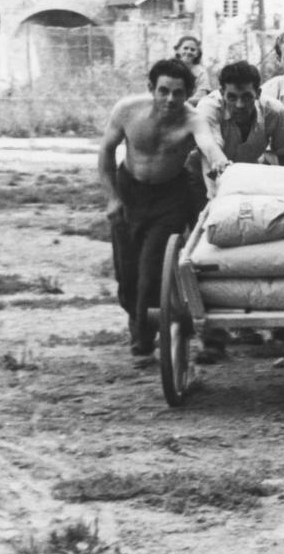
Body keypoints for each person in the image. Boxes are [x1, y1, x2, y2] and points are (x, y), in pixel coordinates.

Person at [99, 58, 230, 363]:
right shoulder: (127, 110)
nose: (170, 99)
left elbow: (208, 145)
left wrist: (221, 162)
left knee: (151, 270)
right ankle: (139, 329)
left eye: (178, 92)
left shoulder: (192, 119)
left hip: (170, 198)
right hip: (129, 192)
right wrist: (112, 198)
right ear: (151, 89)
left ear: (189, 93)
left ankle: (145, 341)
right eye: (164, 91)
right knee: (127, 275)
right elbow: (106, 151)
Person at [192, 60, 284, 360]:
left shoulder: (274, 111)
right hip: (215, 191)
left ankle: (283, 323)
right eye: (231, 96)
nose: (239, 103)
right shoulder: (208, 109)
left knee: (271, 255)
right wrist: (221, 163)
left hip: (257, 191)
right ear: (221, 93)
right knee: (210, 262)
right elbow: (207, 142)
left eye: (247, 96)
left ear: (258, 93)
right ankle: (214, 336)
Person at [173, 36, 210, 105]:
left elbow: (201, 96)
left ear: (197, 53)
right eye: (185, 48)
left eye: (192, 50)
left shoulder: (201, 72)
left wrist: (180, 103)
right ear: (178, 50)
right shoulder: (170, 68)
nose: (189, 51)